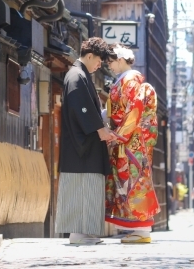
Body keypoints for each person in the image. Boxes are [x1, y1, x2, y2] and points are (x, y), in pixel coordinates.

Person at [54, 37, 116, 245]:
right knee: (82, 188)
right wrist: (99, 129)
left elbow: (87, 110)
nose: (100, 65)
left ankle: (85, 232)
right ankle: (79, 234)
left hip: (85, 147)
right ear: (89, 56)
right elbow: (80, 108)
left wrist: (101, 126)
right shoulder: (76, 76)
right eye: (98, 60)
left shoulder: (80, 75)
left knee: (88, 189)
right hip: (81, 149)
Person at [103, 44, 160, 244]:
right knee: (127, 182)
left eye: (110, 62)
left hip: (131, 140)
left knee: (135, 181)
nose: (108, 65)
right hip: (128, 138)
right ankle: (136, 227)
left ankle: (142, 228)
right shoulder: (125, 80)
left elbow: (134, 110)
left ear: (120, 59)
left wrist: (118, 135)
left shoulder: (131, 80)